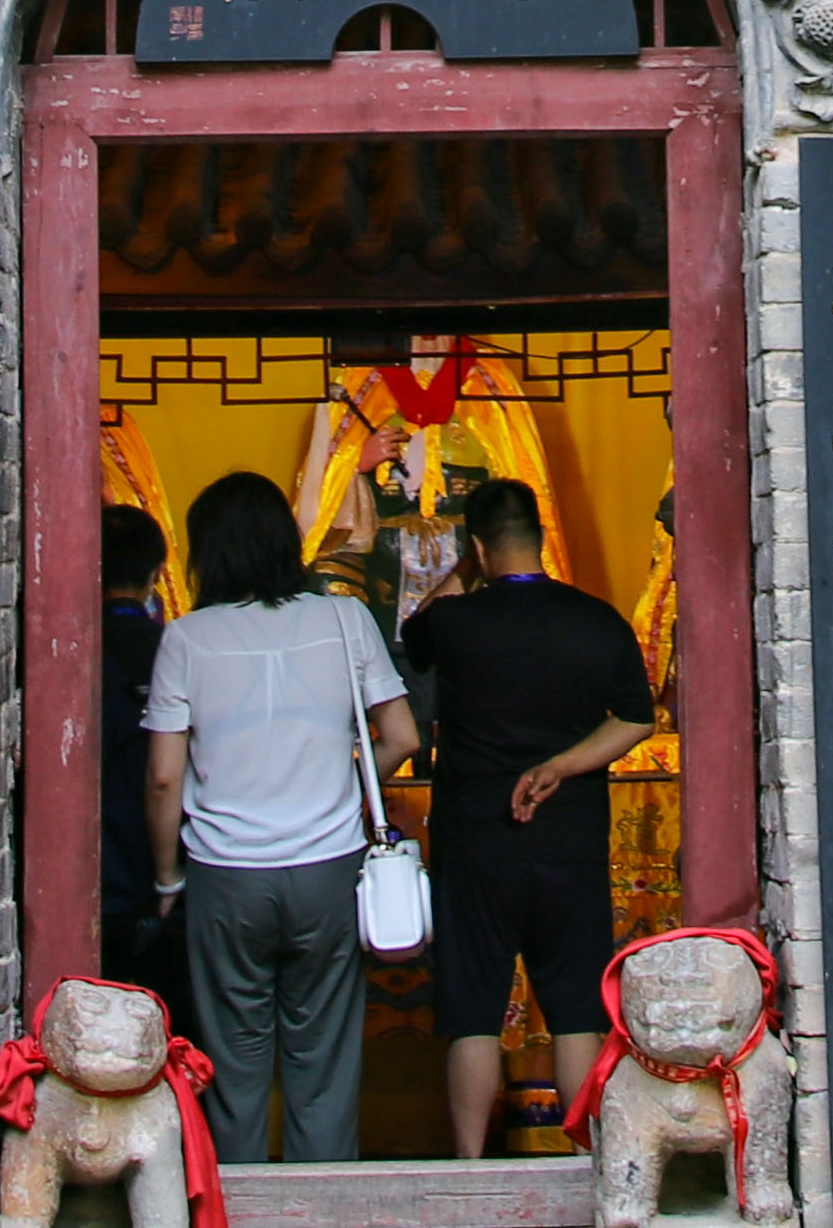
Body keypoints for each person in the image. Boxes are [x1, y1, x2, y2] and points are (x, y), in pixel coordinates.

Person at [142, 468, 417, 1165]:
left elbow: (165, 775)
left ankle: (235, 1215)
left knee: (232, 1060)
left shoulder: (186, 638)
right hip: (328, 868)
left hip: (225, 875)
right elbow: (403, 736)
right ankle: (322, 1214)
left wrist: (169, 879)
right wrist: (347, 788)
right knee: (322, 1058)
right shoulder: (343, 618)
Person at [396, 473, 659, 1159]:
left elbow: (415, 635)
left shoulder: (454, 624)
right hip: (568, 838)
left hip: (476, 838)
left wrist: (462, 567)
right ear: (539, 540)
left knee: (473, 1013)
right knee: (575, 1009)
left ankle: (470, 1165)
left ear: (479, 548)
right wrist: (560, 767)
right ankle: (585, 1163)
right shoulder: (597, 621)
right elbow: (636, 719)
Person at [98, 502, 179, 1016]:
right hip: (160, 872)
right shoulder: (175, 648)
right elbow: (168, 776)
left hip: (93, 869)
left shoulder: (58, 647)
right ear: (155, 574)